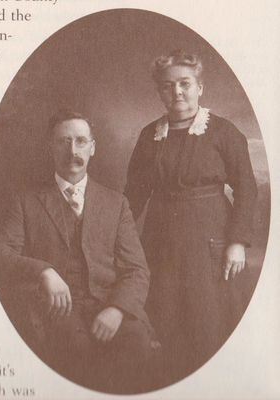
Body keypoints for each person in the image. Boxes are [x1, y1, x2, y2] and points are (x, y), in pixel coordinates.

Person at [0, 110, 152, 394]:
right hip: (58, 309)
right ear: (50, 147)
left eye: (80, 141)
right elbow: (0, 253)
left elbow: (137, 270)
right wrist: (44, 271)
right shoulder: (25, 201)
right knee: (78, 355)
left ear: (93, 147)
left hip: (108, 303)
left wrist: (117, 308)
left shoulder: (116, 203)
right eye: (63, 141)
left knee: (137, 346)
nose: (72, 151)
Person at [125, 50, 258, 384]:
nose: (177, 93)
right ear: (159, 92)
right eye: (168, 86)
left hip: (210, 241)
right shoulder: (148, 136)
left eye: (185, 84)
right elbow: (133, 196)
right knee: (163, 319)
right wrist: (118, 242)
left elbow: (246, 189)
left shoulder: (224, 132)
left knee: (208, 322)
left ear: (201, 87)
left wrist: (238, 242)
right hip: (160, 244)